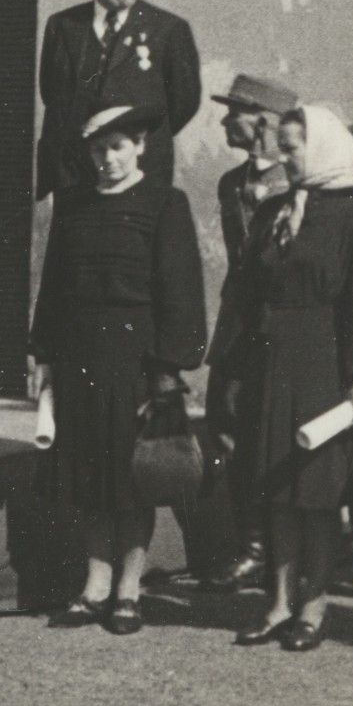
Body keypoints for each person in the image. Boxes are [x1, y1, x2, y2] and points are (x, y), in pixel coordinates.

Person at [210, 106, 353, 652]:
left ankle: (313, 609)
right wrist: (230, 368)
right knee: (275, 488)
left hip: (326, 365)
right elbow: (245, 294)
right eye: (282, 146)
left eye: (292, 148)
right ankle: (278, 605)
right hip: (270, 361)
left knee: (316, 491)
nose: (283, 157)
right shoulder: (274, 210)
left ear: (321, 146)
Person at [31, 104, 207, 635]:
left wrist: (168, 370)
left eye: (117, 147)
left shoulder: (165, 203)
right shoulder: (74, 203)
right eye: (98, 149)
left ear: (139, 147)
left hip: (137, 360)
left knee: (132, 479)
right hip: (80, 357)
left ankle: (129, 591)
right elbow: (53, 284)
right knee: (89, 476)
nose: (107, 158)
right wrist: (44, 355)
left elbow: (181, 290)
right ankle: (94, 588)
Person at [198, 73, 297, 593]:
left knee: (284, 432)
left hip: (285, 323)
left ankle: (293, 551)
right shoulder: (230, 182)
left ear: (262, 120)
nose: (224, 122)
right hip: (238, 325)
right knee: (228, 427)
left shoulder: (300, 178)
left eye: (233, 113)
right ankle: (251, 547)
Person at [35, 0, 200, 199]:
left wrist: (136, 139)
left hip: (140, 169)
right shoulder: (64, 25)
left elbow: (185, 102)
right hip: (75, 169)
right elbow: (52, 92)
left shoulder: (168, 29)